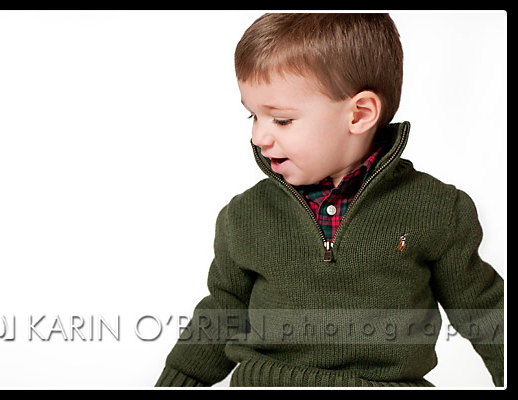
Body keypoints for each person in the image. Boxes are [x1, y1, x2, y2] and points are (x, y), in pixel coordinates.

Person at [155, 13, 504, 387]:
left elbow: (484, 311)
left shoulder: (436, 210)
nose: (259, 137)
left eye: (281, 120)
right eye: (253, 116)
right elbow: (221, 314)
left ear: (359, 114)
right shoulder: (245, 215)